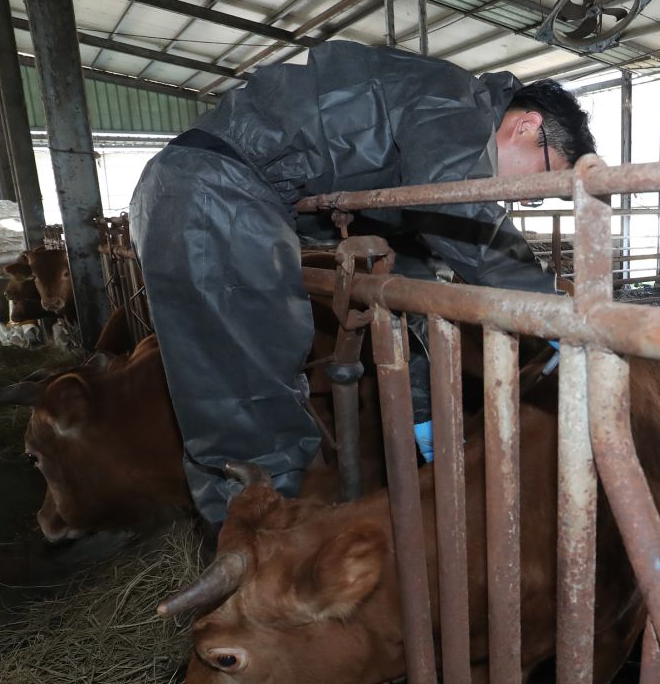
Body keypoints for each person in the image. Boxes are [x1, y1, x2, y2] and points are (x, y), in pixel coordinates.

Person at [129, 40, 596, 528]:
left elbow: (410, 279)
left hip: (207, 191)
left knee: (251, 384)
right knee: (246, 405)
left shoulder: (428, 141)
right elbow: (458, 206)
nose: (522, 199)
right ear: (527, 127)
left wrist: (423, 413)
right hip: (215, 193)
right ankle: (255, 550)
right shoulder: (455, 102)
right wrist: (555, 311)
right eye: (540, 183)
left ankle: (257, 540)